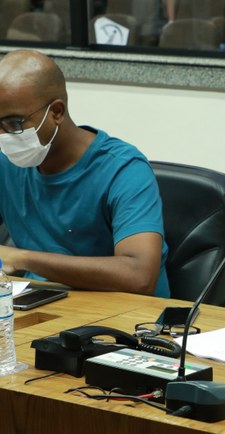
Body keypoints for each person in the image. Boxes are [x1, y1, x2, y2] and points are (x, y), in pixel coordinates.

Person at [0, 49, 169, 297]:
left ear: (56, 112)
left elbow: (139, 276)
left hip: (126, 314)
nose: (3, 136)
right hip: (43, 302)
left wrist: (21, 258)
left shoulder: (123, 169)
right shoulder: (6, 162)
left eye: (13, 123)